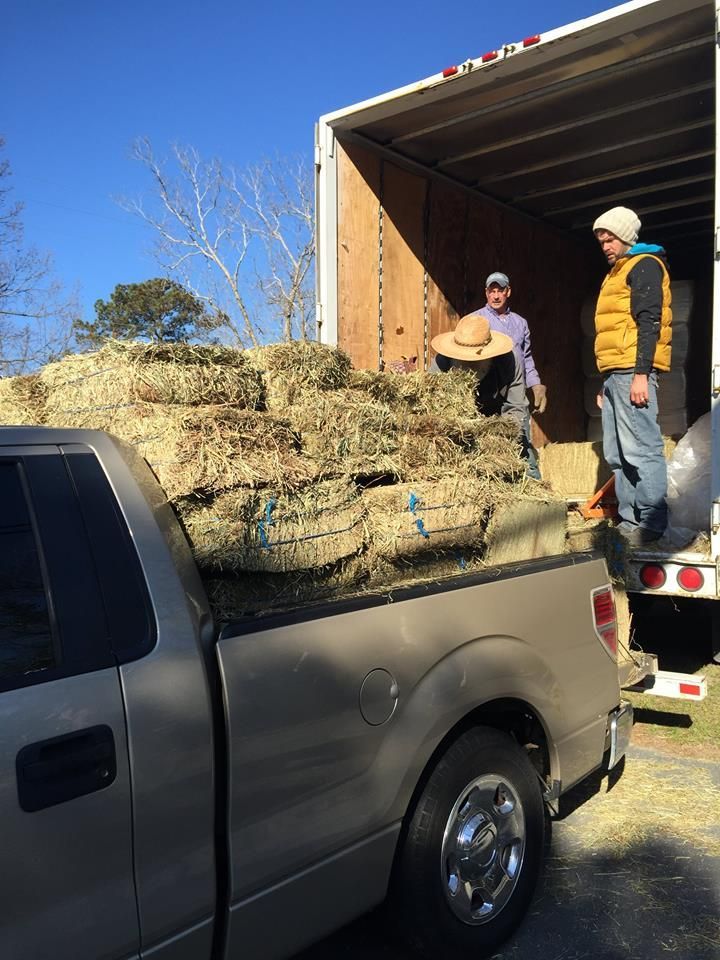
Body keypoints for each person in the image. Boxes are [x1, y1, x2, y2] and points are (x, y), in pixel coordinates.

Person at [592, 205, 672, 546]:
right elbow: (615, 329)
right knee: (616, 453)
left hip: (632, 372)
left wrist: (641, 374)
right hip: (616, 374)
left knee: (642, 449)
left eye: (610, 239)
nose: (606, 246)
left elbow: (649, 321)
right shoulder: (616, 273)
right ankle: (628, 521)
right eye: (602, 241)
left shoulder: (644, 266)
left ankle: (652, 524)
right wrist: (606, 380)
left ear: (626, 236)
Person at [468, 272, 546, 478]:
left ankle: (531, 483)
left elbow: (526, 357)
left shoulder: (520, 323)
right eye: (491, 291)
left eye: (500, 291)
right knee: (487, 439)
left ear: (508, 292)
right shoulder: (475, 321)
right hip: (488, 390)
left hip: (516, 387)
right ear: (485, 293)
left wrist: (536, 384)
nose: (495, 296)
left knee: (520, 434)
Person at [429, 312, 531, 461]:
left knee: (527, 464)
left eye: (474, 362)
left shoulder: (509, 361)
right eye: (464, 360)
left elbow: (516, 406)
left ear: (490, 356)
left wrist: (499, 438)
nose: (469, 368)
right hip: (457, 426)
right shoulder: (442, 362)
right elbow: (429, 402)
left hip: (497, 419)